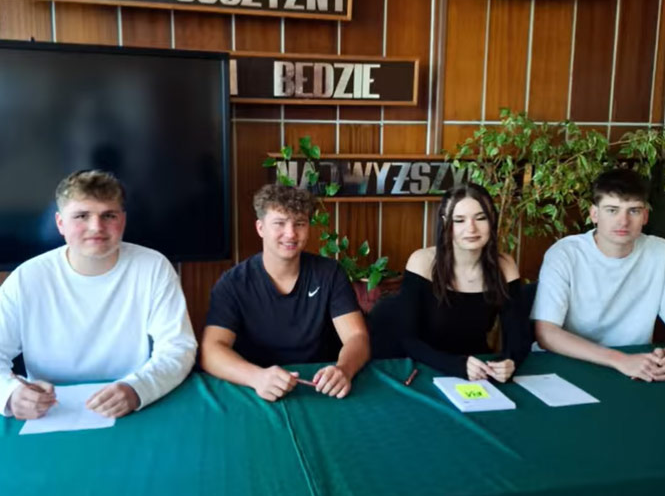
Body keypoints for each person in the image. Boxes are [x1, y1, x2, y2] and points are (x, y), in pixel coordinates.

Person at [0, 170, 197, 420]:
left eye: (108, 215)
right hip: (49, 411)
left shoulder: (153, 267)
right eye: (82, 216)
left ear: (122, 220)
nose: (96, 227)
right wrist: (9, 394)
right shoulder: (26, 278)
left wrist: (138, 389)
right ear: (60, 223)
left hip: (133, 407)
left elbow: (178, 347)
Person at [201, 184, 369, 401]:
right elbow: (211, 350)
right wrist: (256, 377)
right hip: (256, 389)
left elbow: (357, 336)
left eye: (299, 224)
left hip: (318, 387)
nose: (290, 234)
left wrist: (344, 369)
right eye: (279, 223)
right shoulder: (233, 283)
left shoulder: (330, 273)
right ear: (260, 228)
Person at [370, 183, 531, 381]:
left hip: (477, 371)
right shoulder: (422, 262)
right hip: (423, 368)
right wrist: (458, 366)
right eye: (459, 220)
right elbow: (408, 340)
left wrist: (510, 362)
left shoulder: (505, 266)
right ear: (446, 223)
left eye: (481, 218)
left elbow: (519, 338)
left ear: (492, 220)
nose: (471, 228)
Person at [533, 168, 665, 381]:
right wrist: (620, 360)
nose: (623, 221)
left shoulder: (660, 252)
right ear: (594, 214)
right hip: (566, 364)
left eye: (633, 211)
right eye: (612, 210)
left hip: (636, 368)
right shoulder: (565, 253)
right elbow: (546, 333)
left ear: (645, 216)